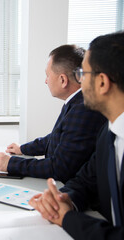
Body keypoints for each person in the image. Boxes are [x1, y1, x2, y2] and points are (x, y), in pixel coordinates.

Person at [29, 31, 124, 239]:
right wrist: (63, 199)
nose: (79, 82)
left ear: (102, 83)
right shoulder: (109, 133)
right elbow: (86, 181)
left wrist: (67, 218)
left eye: (83, 74)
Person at [0, 45, 106, 183]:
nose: (46, 81)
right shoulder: (76, 102)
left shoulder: (83, 109)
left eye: (48, 75)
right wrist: (22, 149)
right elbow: (57, 137)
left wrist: (10, 163)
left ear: (63, 80)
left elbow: (60, 168)